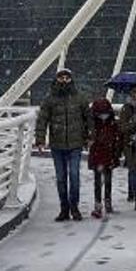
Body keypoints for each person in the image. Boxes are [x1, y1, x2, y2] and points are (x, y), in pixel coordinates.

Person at [36, 67, 90, 221]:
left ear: (71, 79)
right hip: (57, 145)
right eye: (61, 78)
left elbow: (88, 119)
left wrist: (89, 137)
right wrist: (40, 140)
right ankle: (64, 209)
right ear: (56, 80)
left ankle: (74, 207)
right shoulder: (50, 99)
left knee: (74, 176)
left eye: (67, 78)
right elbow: (42, 120)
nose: (64, 80)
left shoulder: (80, 98)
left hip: (75, 144)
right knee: (60, 178)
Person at [86, 94, 121, 219]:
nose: (103, 116)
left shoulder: (98, 125)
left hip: (104, 155)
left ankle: (103, 202)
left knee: (105, 180)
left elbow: (117, 139)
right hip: (104, 155)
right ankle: (102, 203)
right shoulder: (109, 124)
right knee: (102, 180)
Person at [118, 84, 136, 205]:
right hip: (130, 143)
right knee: (134, 170)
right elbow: (123, 128)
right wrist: (135, 122)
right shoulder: (126, 108)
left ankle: (133, 194)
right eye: (134, 92)